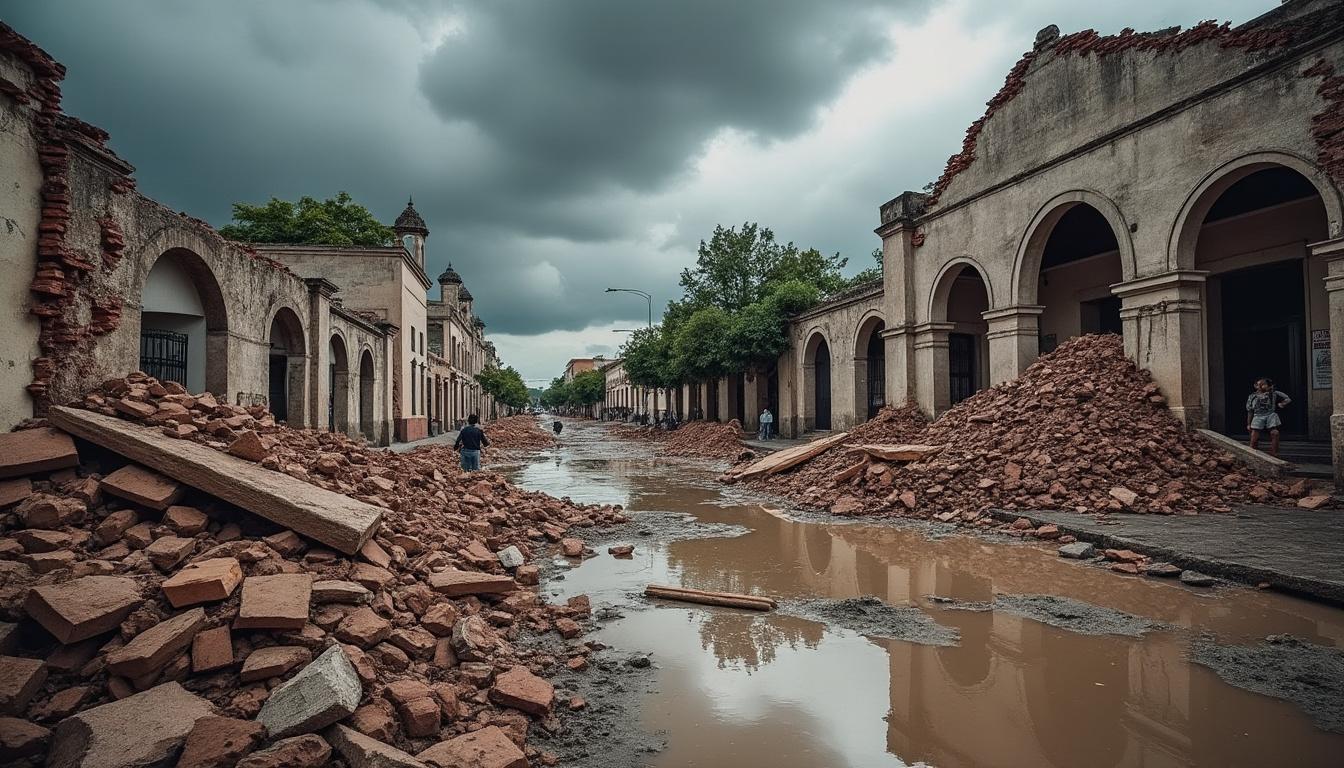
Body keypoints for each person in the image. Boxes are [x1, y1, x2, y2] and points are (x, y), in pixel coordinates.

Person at [1246, 377, 1291, 457]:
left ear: (1269, 386)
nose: (1260, 386)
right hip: (1258, 416)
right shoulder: (1252, 396)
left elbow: (1287, 398)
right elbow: (1250, 411)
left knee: (1275, 433)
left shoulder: (1274, 393)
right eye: (1258, 384)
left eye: (1263, 384)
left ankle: (1274, 454)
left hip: (1270, 415)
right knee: (1254, 435)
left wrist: (1282, 404)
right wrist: (1249, 424)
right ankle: (1252, 453)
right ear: (1255, 385)